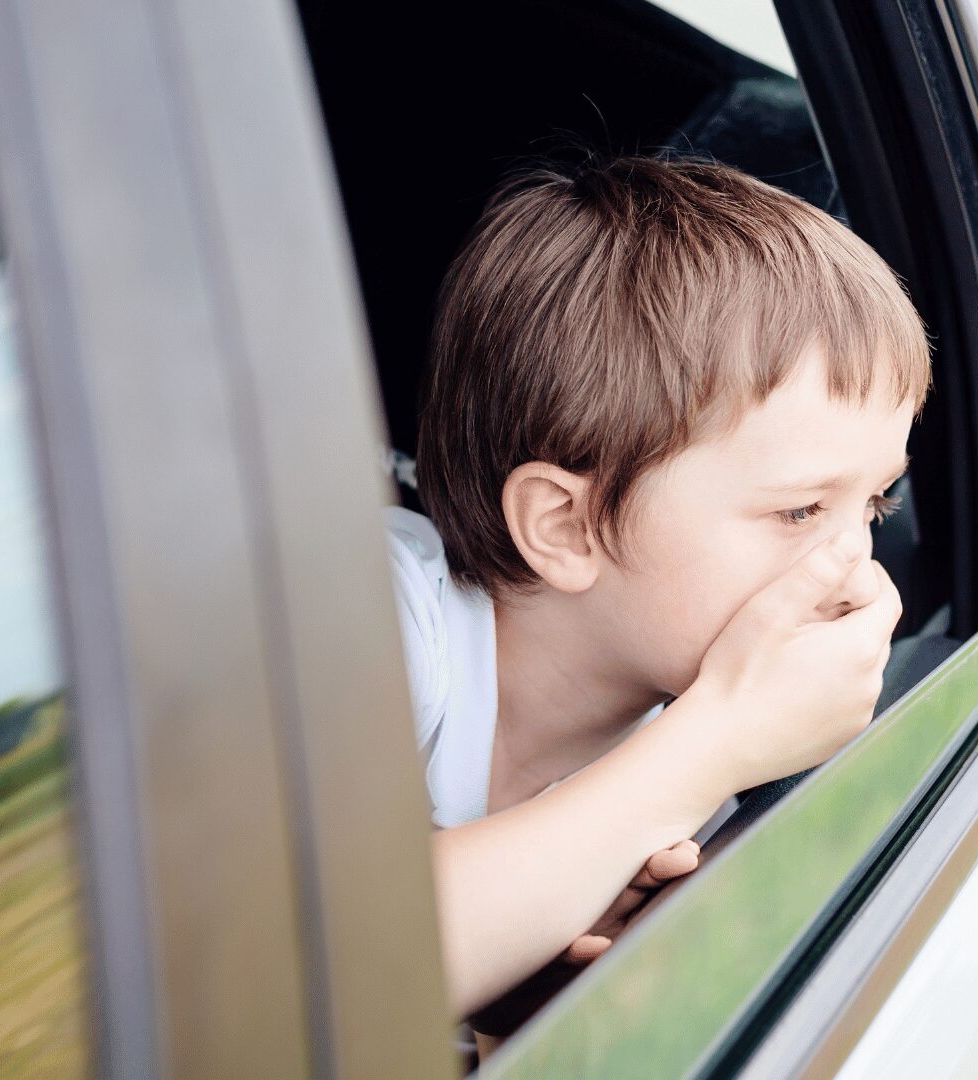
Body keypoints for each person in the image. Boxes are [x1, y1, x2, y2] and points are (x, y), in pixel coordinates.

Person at [390, 155, 928, 1018]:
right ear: (568, 526)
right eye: (798, 513)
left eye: (875, 503)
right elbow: (320, 975)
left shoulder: (697, 762)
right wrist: (717, 740)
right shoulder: (380, 627)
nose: (859, 575)